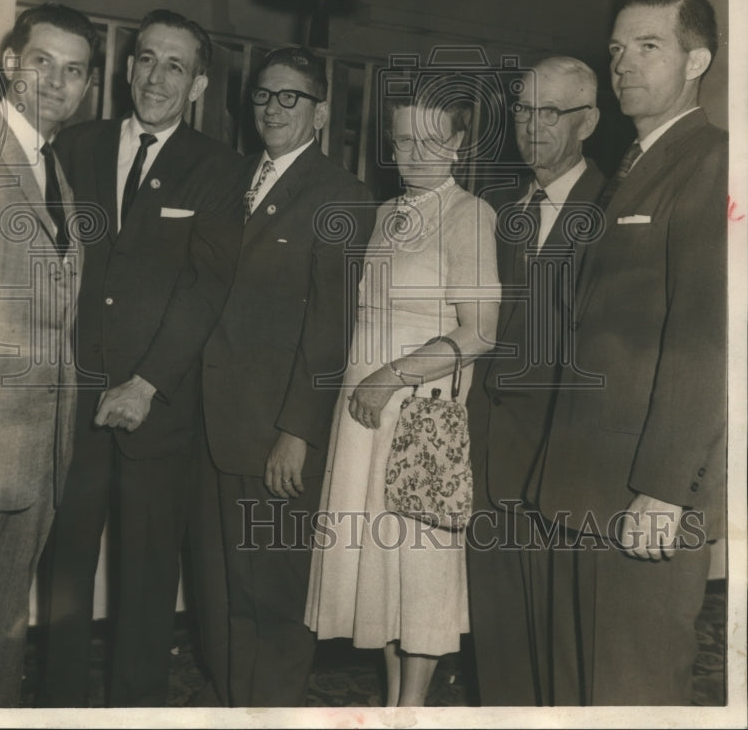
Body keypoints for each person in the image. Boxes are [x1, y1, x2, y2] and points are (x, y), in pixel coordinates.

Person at [39, 9, 244, 706]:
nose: (157, 77)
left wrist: (147, 382)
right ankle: (57, 708)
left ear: (198, 86)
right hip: (73, 397)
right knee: (64, 570)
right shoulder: (75, 145)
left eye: (176, 66)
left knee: (147, 577)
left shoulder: (219, 169)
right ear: (127, 68)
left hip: (157, 408)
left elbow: (205, 286)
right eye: (147, 59)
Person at [537, 0, 727, 704]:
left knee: (631, 694)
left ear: (696, 61)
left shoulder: (712, 163)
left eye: (648, 46)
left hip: (640, 493)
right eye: (616, 49)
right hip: (582, 483)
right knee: (577, 694)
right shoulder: (631, 167)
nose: (624, 64)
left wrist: (662, 490)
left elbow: (706, 339)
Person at [305, 87, 501, 707]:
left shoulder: (470, 214)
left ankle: (410, 710)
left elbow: (480, 331)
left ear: (459, 142)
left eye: (430, 140)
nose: (413, 153)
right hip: (362, 408)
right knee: (380, 570)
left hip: (416, 412)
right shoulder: (385, 211)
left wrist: (391, 375)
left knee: (420, 568)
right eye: (401, 140)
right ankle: (394, 704)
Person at [194, 46, 374, 708]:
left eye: (289, 98)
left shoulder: (340, 196)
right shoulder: (236, 178)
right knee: (228, 590)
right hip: (217, 423)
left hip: (276, 435)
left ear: (320, 113)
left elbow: (332, 329)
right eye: (263, 96)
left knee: (276, 593)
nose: (271, 109)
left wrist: (296, 432)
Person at [466, 56, 604, 705]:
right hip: (488, 460)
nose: (530, 125)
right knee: (497, 643)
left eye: (549, 112)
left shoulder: (612, 212)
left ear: (588, 122)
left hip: (558, 470)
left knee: (559, 651)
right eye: (521, 109)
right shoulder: (498, 207)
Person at [0, 3, 97, 706]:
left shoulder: (55, 170)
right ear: (11, 66)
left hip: (39, 446)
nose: (57, 81)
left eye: (75, 70)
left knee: (3, 623)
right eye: (43, 62)